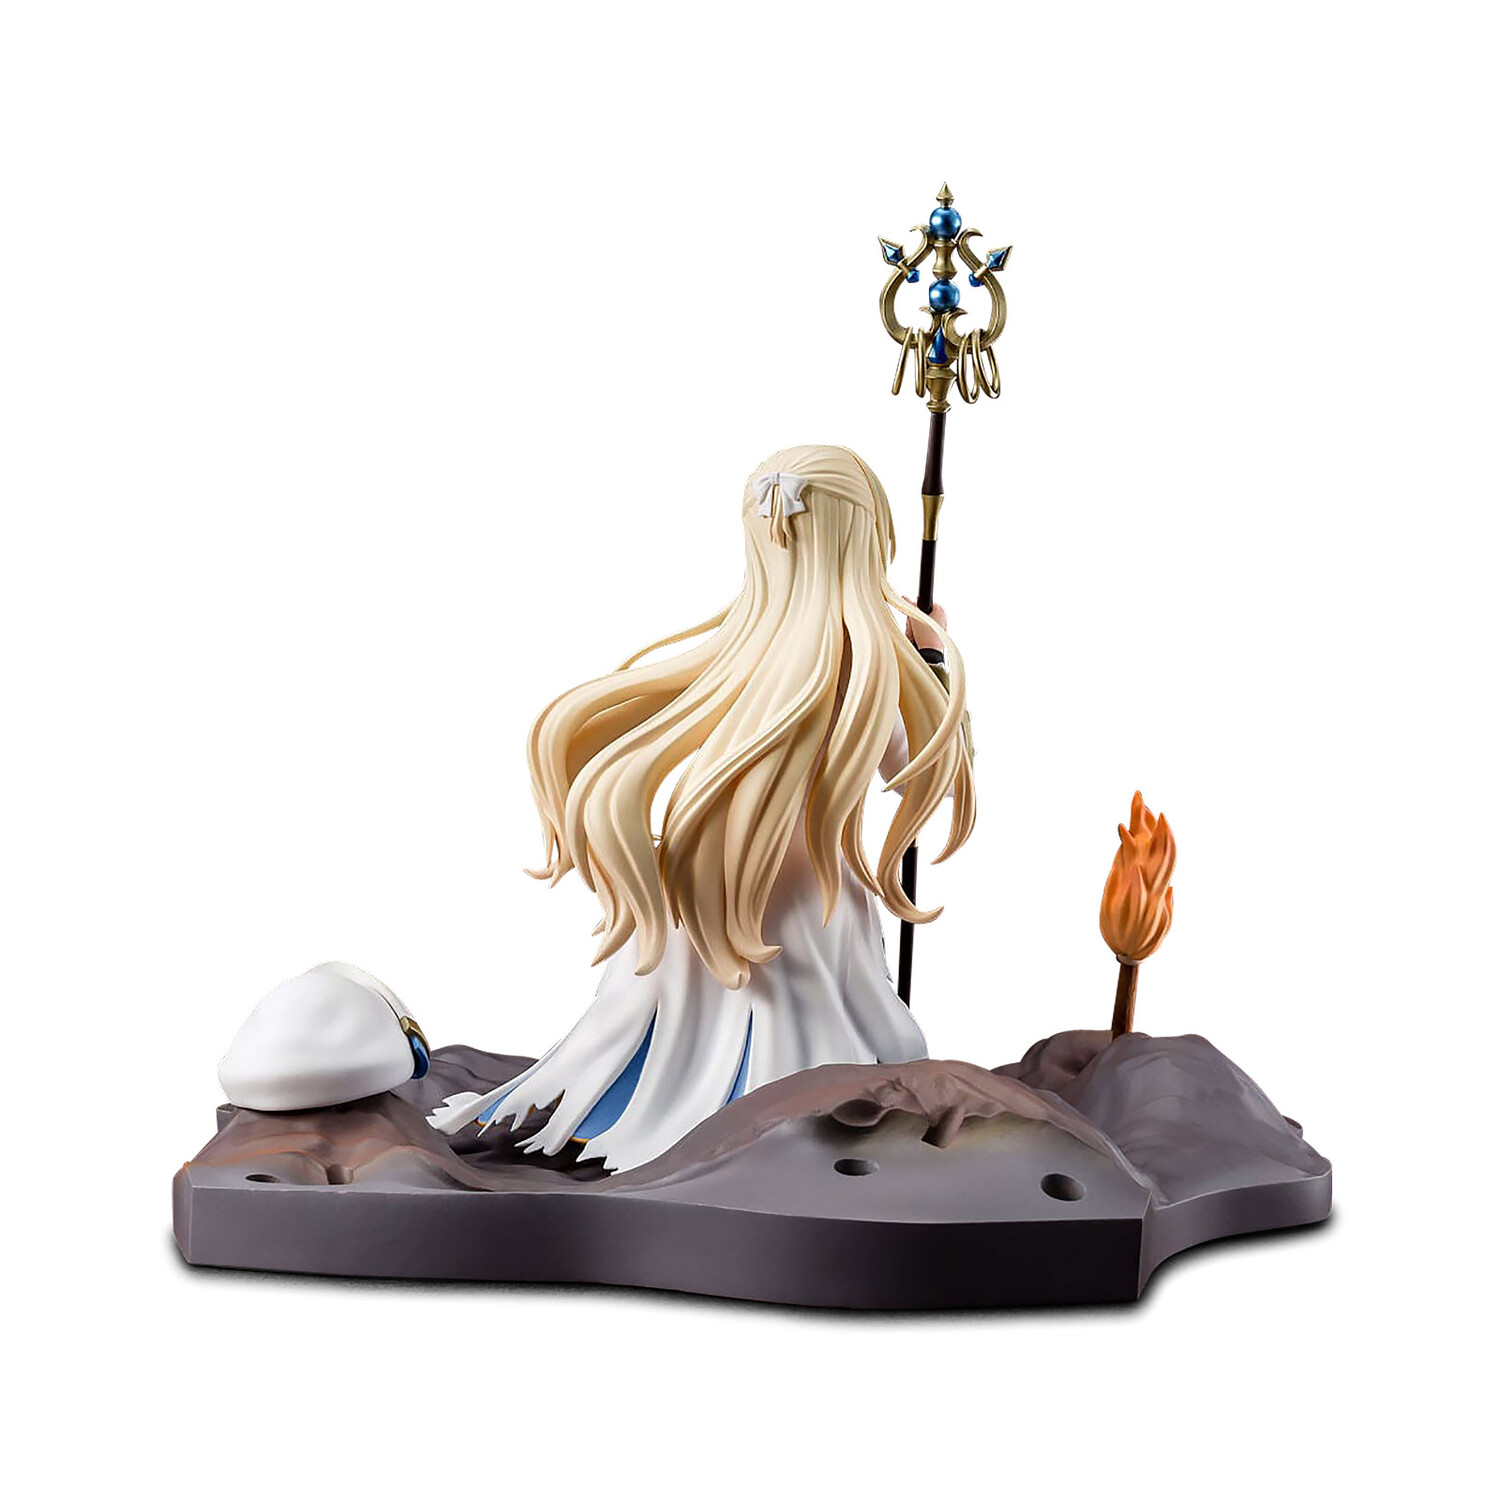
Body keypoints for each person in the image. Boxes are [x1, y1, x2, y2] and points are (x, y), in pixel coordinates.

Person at [430, 444, 976, 1171]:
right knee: (805, 1038)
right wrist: (933, 661)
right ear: (863, 542)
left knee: (676, 1028)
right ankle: (751, 1136)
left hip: (702, 886)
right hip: (799, 900)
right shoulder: (862, 661)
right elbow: (924, 773)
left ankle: (651, 1116)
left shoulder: (741, 651)